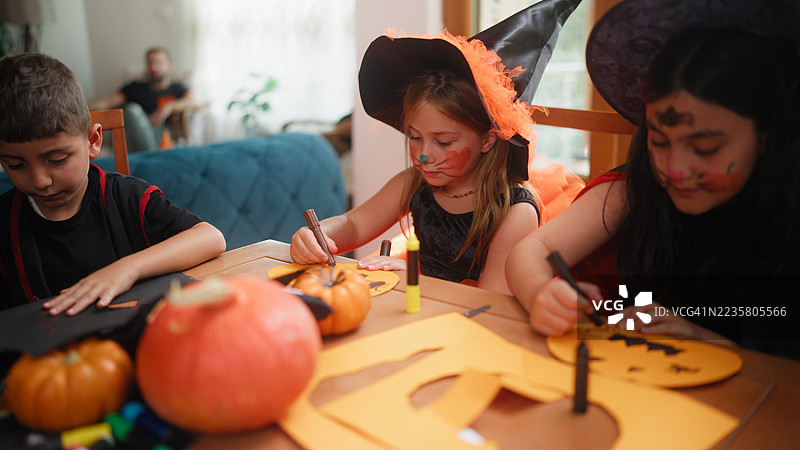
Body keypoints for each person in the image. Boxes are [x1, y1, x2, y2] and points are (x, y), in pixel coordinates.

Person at [506, 0, 800, 358]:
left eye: (705, 148)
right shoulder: (631, 189)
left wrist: (712, 343)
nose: (674, 169)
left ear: (767, 137)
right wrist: (541, 294)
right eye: (660, 141)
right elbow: (529, 252)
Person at [290, 0, 584, 295]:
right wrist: (317, 236)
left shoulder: (514, 212)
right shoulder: (414, 184)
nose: (424, 155)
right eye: (414, 137)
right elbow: (353, 225)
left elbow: (491, 303)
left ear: (488, 138)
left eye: (444, 142)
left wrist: (421, 284)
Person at [0, 53, 227, 315]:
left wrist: (127, 268)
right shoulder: (5, 220)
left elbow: (211, 238)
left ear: (93, 141)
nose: (40, 181)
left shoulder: (127, 196)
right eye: (15, 165)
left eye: (57, 160)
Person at [88, 47, 196, 152]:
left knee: (131, 110)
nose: (154, 67)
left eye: (159, 63)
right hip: (136, 138)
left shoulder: (177, 88)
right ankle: (152, 155)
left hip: (163, 136)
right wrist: (80, 108)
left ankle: (152, 154)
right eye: (150, 63)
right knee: (131, 110)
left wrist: (168, 107)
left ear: (169, 66)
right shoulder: (135, 88)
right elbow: (107, 102)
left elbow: (193, 101)